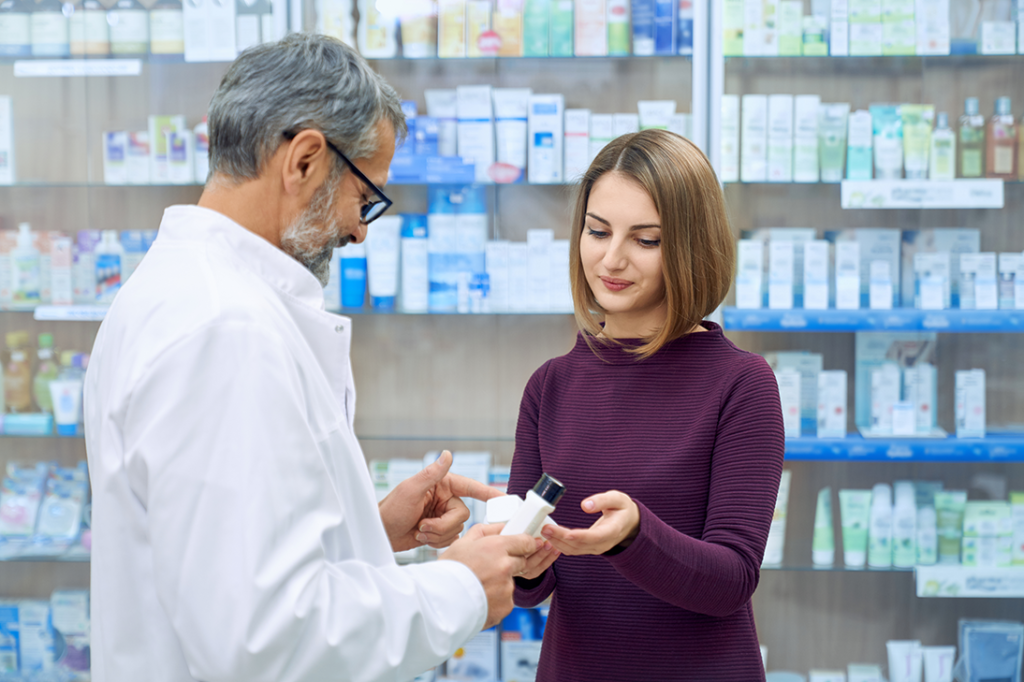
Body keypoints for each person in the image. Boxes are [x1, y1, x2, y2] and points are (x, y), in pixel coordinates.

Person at [84, 33, 538, 682]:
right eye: (365, 199)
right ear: (303, 161)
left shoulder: (177, 291)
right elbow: (265, 641)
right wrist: (461, 587)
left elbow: (213, 562)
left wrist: (366, 530)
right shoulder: (225, 331)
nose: (359, 230)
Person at [508, 129, 786, 681]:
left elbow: (732, 579)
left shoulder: (742, 383)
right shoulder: (550, 386)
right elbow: (528, 590)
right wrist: (513, 552)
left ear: (689, 247)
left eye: (646, 240)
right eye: (597, 231)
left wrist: (635, 536)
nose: (611, 259)